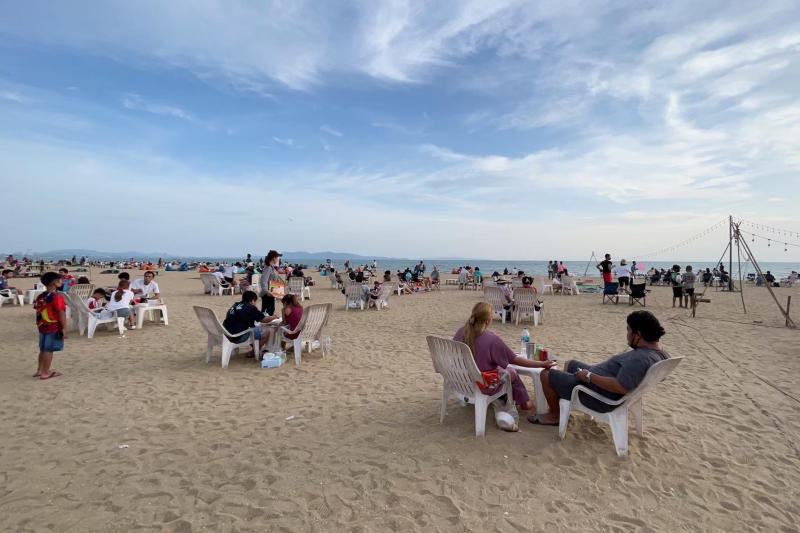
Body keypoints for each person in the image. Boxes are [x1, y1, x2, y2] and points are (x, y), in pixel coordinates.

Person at [529, 311, 669, 425]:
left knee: (546, 374)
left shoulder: (640, 359)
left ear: (638, 335)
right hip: (603, 387)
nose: (627, 335)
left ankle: (555, 416)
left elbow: (620, 387)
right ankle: (564, 404)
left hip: (600, 396)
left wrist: (589, 377)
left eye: (628, 330)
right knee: (570, 364)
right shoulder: (659, 353)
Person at [454, 302, 556, 415]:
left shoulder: (460, 332)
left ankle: (513, 399)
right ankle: (525, 403)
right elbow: (514, 359)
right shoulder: (491, 339)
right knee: (511, 372)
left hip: (461, 381)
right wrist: (541, 364)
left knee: (499, 369)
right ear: (488, 321)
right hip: (484, 385)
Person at [34, 272, 68, 380]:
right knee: (49, 350)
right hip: (52, 326)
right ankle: (46, 372)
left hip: (42, 326)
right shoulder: (56, 297)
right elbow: (61, 313)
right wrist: (64, 328)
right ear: (55, 283)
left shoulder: (41, 296)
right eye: (60, 280)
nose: (61, 282)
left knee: (43, 349)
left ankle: (40, 370)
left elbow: (37, 309)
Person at [223, 290, 279, 357]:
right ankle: (253, 352)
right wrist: (274, 317)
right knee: (267, 332)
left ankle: (255, 347)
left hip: (227, 334)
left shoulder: (235, 305)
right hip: (237, 337)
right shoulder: (251, 307)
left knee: (253, 329)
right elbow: (264, 320)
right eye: (255, 301)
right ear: (252, 301)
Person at [259, 250, 282, 315]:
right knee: (267, 312)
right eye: (277, 257)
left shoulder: (271, 267)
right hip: (268, 294)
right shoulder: (268, 268)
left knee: (270, 311)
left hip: (271, 292)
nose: (278, 259)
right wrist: (266, 291)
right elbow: (263, 280)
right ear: (274, 258)